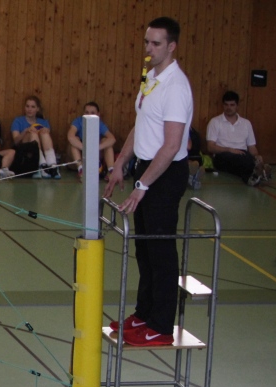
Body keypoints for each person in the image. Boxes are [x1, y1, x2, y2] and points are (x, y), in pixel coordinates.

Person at [105, 16, 193, 348]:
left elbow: (171, 146)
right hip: (145, 168)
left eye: (156, 43)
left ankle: (161, 325)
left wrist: (142, 187)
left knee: (161, 251)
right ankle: (144, 314)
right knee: (144, 249)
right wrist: (120, 162)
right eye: (146, 42)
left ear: (172, 46)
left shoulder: (176, 87)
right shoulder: (150, 77)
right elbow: (140, 124)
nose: (149, 48)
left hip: (164, 176)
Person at [206, 91, 271, 186]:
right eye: (226, 105)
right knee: (241, 161)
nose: (229, 108)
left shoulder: (246, 123)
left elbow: (251, 147)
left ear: (237, 106)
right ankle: (257, 174)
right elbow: (210, 147)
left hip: (243, 154)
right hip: (222, 154)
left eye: (232, 105)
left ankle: (254, 176)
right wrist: (229, 150)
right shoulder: (215, 122)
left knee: (246, 159)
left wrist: (257, 156)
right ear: (223, 105)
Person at [11, 95, 61, 178]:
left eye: (33, 107)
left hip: (41, 147)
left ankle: (52, 165)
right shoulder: (18, 121)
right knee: (33, 133)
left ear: (37, 109)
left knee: (44, 133)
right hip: (24, 150)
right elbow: (15, 141)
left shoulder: (44, 122)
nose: (29, 109)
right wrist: (26, 131)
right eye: (27, 106)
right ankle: (41, 165)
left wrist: (45, 130)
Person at [67, 101, 117, 179]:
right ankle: (81, 170)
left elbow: (112, 139)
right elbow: (70, 136)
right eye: (86, 112)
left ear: (98, 114)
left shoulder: (99, 124)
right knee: (75, 140)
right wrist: (86, 149)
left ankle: (111, 171)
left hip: (95, 156)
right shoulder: (78, 121)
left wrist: (96, 148)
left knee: (106, 141)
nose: (89, 115)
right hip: (79, 157)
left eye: (92, 113)